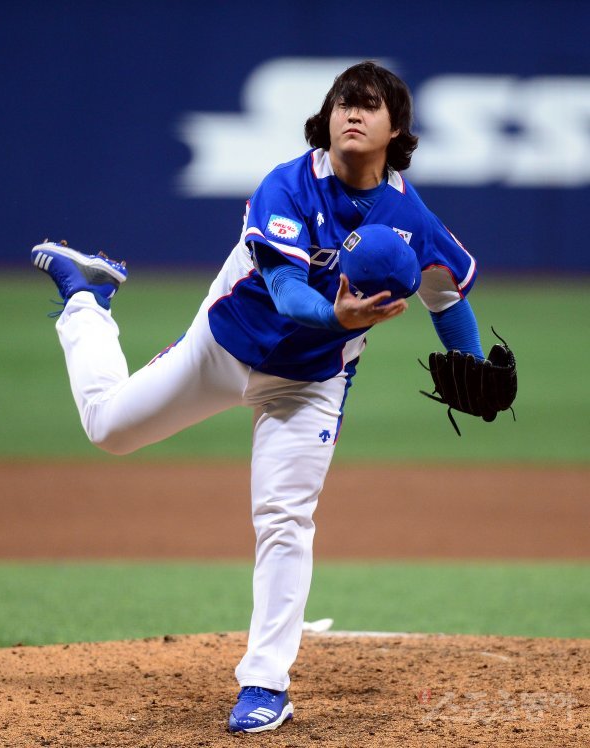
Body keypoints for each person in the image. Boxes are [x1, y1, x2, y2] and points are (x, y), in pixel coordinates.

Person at [31, 60, 484, 733]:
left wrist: (470, 365)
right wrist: (337, 316)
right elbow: (286, 291)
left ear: (397, 129)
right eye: (343, 102)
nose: (352, 113)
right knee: (108, 429)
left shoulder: (411, 218)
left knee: (284, 518)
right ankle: (87, 301)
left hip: (310, 385)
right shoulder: (287, 185)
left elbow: (445, 295)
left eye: (369, 105)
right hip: (222, 348)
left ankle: (265, 684)